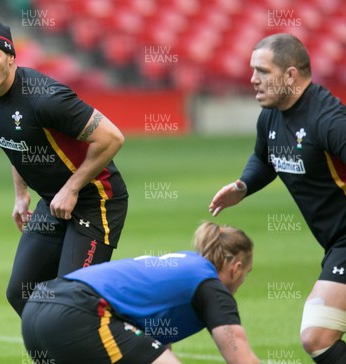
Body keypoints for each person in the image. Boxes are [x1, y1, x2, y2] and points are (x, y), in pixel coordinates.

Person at [0, 17, 129, 316]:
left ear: (11, 58)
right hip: (52, 202)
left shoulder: (46, 98)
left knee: (74, 300)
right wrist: (21, 194)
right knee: (22, 293)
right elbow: (15, 144)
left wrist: (71, 188)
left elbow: (112, 137)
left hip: (96, 199)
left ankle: (136, 338)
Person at [209, 33, 346, 363]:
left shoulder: (329, 121)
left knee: (318, 337)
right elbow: (265, 157)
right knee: (320, 337)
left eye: (263, 71)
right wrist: (243, 186)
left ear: (290, 75)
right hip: (336, 242)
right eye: (252, 70)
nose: (253, 79)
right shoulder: (271, 116)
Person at [21, 221, 259, 363]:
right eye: (247, 273)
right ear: (236, 269)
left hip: (37, 310)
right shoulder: (209, 284)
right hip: (80, 313)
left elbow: (149, 348)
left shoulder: (184, 267)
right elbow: (240, 356)